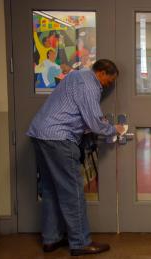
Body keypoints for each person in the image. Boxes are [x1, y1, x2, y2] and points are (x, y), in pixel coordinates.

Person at [27, 59, 126, 256]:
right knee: (72, 191)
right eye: (110, 80)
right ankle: (80, 242)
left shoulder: (75, 75)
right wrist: (113, 128)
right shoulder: (90, 84)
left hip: (40, 134)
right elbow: (95, 123)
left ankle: (51, 239)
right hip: (59, 138)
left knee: (50, 190)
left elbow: (78, 112)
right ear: (101, 73)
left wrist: (95, 123)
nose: (109, 84)